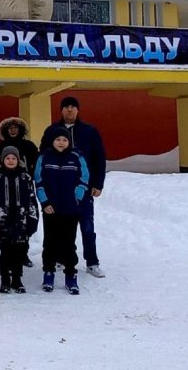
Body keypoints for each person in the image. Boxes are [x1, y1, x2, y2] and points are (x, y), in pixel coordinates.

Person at [40, 96, 107, 278]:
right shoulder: (51, 131)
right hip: (58, 190)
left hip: (84, 188)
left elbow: (99, 158)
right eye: (66, 107)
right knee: (60, 226)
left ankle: (92, 262)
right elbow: (43, 156)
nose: (69, 110)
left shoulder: (89, 131)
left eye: (73, 107)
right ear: (61, 110)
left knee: (87, 226)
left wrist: (98, 183)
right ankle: (61, 258)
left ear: (77, 110)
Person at [34, 125, 89, 295]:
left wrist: (77, 197)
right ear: (52, 141)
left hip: (70, 208)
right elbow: (38, 180)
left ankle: (71, 275)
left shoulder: (76, 156)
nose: (61, 142)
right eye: (58, 139)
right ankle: (48, 273)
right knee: (50, 243)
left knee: (68, 243)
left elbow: (84, 177)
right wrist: (45, 202)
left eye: (65, 140)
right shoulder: (44, 157)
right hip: (50, 208)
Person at [0, 146, 39, 293]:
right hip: (3, 221)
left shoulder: (25, 177)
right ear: (2, 160)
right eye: (7, 158)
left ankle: (17, 279)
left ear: (18, 160)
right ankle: (5, 280)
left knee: (19, 252)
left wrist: (32, 220)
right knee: (5, 252)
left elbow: (31, 200)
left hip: (21, 221)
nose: (11, 161)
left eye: (14, 158)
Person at [0, 117, 39, 267]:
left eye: (15, 128)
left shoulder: (29, 146)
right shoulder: (0, 147)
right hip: (4, 188)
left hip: (23, 186)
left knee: (22, 223)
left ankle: (23, 255)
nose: (13, 130)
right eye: (10, 128)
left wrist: (31, 175)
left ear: (21, 130)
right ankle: (6, 255)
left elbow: (36, 163)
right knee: (6, 224)